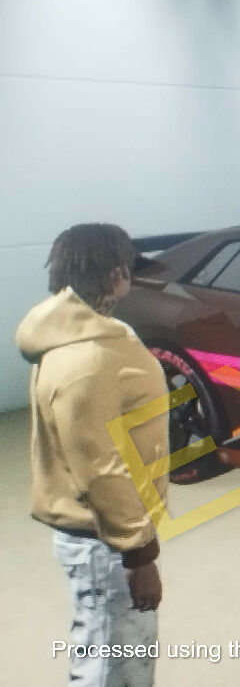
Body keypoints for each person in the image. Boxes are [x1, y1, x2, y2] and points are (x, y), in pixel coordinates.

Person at [15, 223, 168, 687]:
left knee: (110, 652)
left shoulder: (82, 336)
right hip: (104, 539)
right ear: (116, 275)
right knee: (114, 663)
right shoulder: (88, 359)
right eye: (130, 271)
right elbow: (99, 466)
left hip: (102, 533)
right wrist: (138, 555)